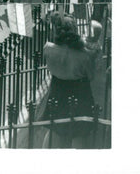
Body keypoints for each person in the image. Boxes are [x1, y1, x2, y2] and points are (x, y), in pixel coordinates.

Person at [40, 12, 100, 148]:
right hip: (80, 92)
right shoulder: (84, 55)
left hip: (57, 89)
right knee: (79, 133)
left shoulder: (48, 48)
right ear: (74, 30)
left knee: (55, 130)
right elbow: (91, 76)